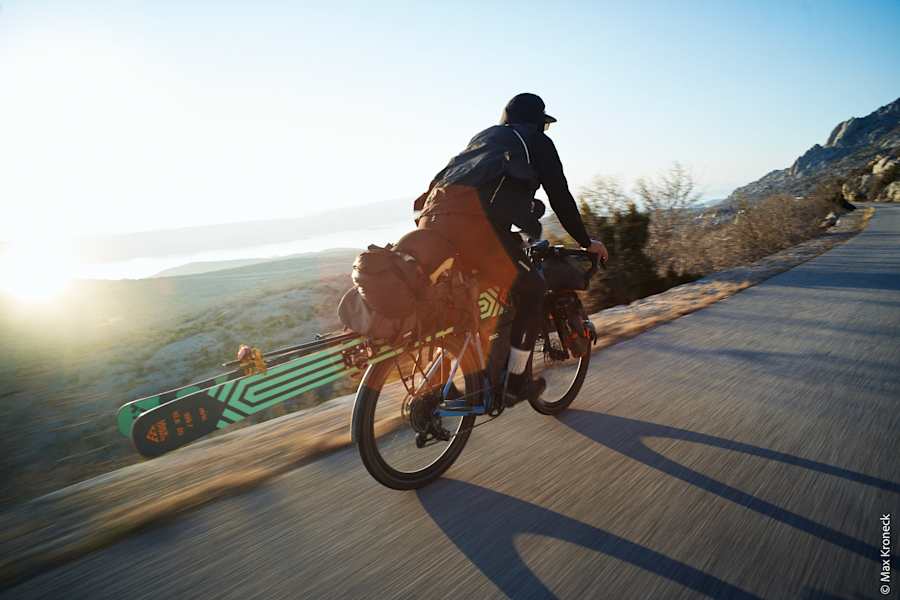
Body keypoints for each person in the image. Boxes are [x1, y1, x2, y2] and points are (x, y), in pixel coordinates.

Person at [415, 93, 608, 403]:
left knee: (462, 300)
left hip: (432, 225)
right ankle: (517, 380)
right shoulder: (537, 142)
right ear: (537, 122)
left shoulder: (484, 138)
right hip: (475, 229)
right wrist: (587, 241)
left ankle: (442, 383)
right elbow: (560, 196)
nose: (545, 131)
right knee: (532, 288)